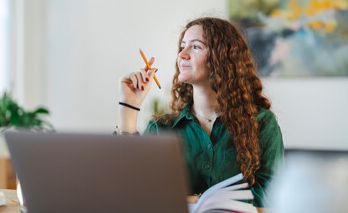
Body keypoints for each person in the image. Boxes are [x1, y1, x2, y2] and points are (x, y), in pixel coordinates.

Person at [117, 17, 284, 207]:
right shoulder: (162, 128)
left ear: (223, 58)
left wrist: (200, 200)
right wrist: (129, 106)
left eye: (195, 47)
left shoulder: (262, 122)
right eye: (182, 47)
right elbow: (132, 188)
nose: (182, 55)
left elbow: (272, 194)